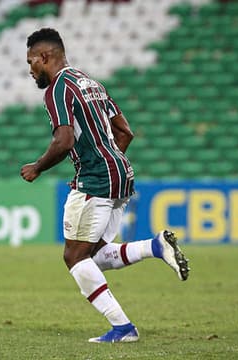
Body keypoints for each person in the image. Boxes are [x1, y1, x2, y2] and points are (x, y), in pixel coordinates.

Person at [20, 28, 190, 343]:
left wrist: (37, 167)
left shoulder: (58, 89)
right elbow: (125, 132)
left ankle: (123, 328)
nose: (30, 70)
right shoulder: (92, 84)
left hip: (97, 179)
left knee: (73, 257)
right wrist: (109, 164)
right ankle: (154, 246)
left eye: (31, 62)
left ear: (45, 57)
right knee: (93, 255)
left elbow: (64, 139)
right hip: (122, 175)